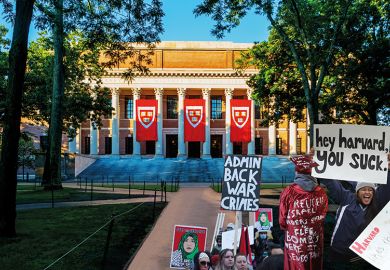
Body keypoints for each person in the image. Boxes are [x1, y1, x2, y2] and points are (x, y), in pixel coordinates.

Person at [319, 157, 390, 269]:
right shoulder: (346, 197)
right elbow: (329, 181)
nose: (367, 192)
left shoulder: (377, 204)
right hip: (338, 255)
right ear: (357, 192)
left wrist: (388, 169)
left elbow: (387, 188)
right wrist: (319, 159)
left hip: (362, 259)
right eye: (363, 189)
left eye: (370, 190)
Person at [279, 155, 328, 270]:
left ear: (297, 173)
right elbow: (323, 214)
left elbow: (282, 219)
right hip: (314, 240)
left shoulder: (289, 191)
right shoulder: (321, 192)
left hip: (295, 241)